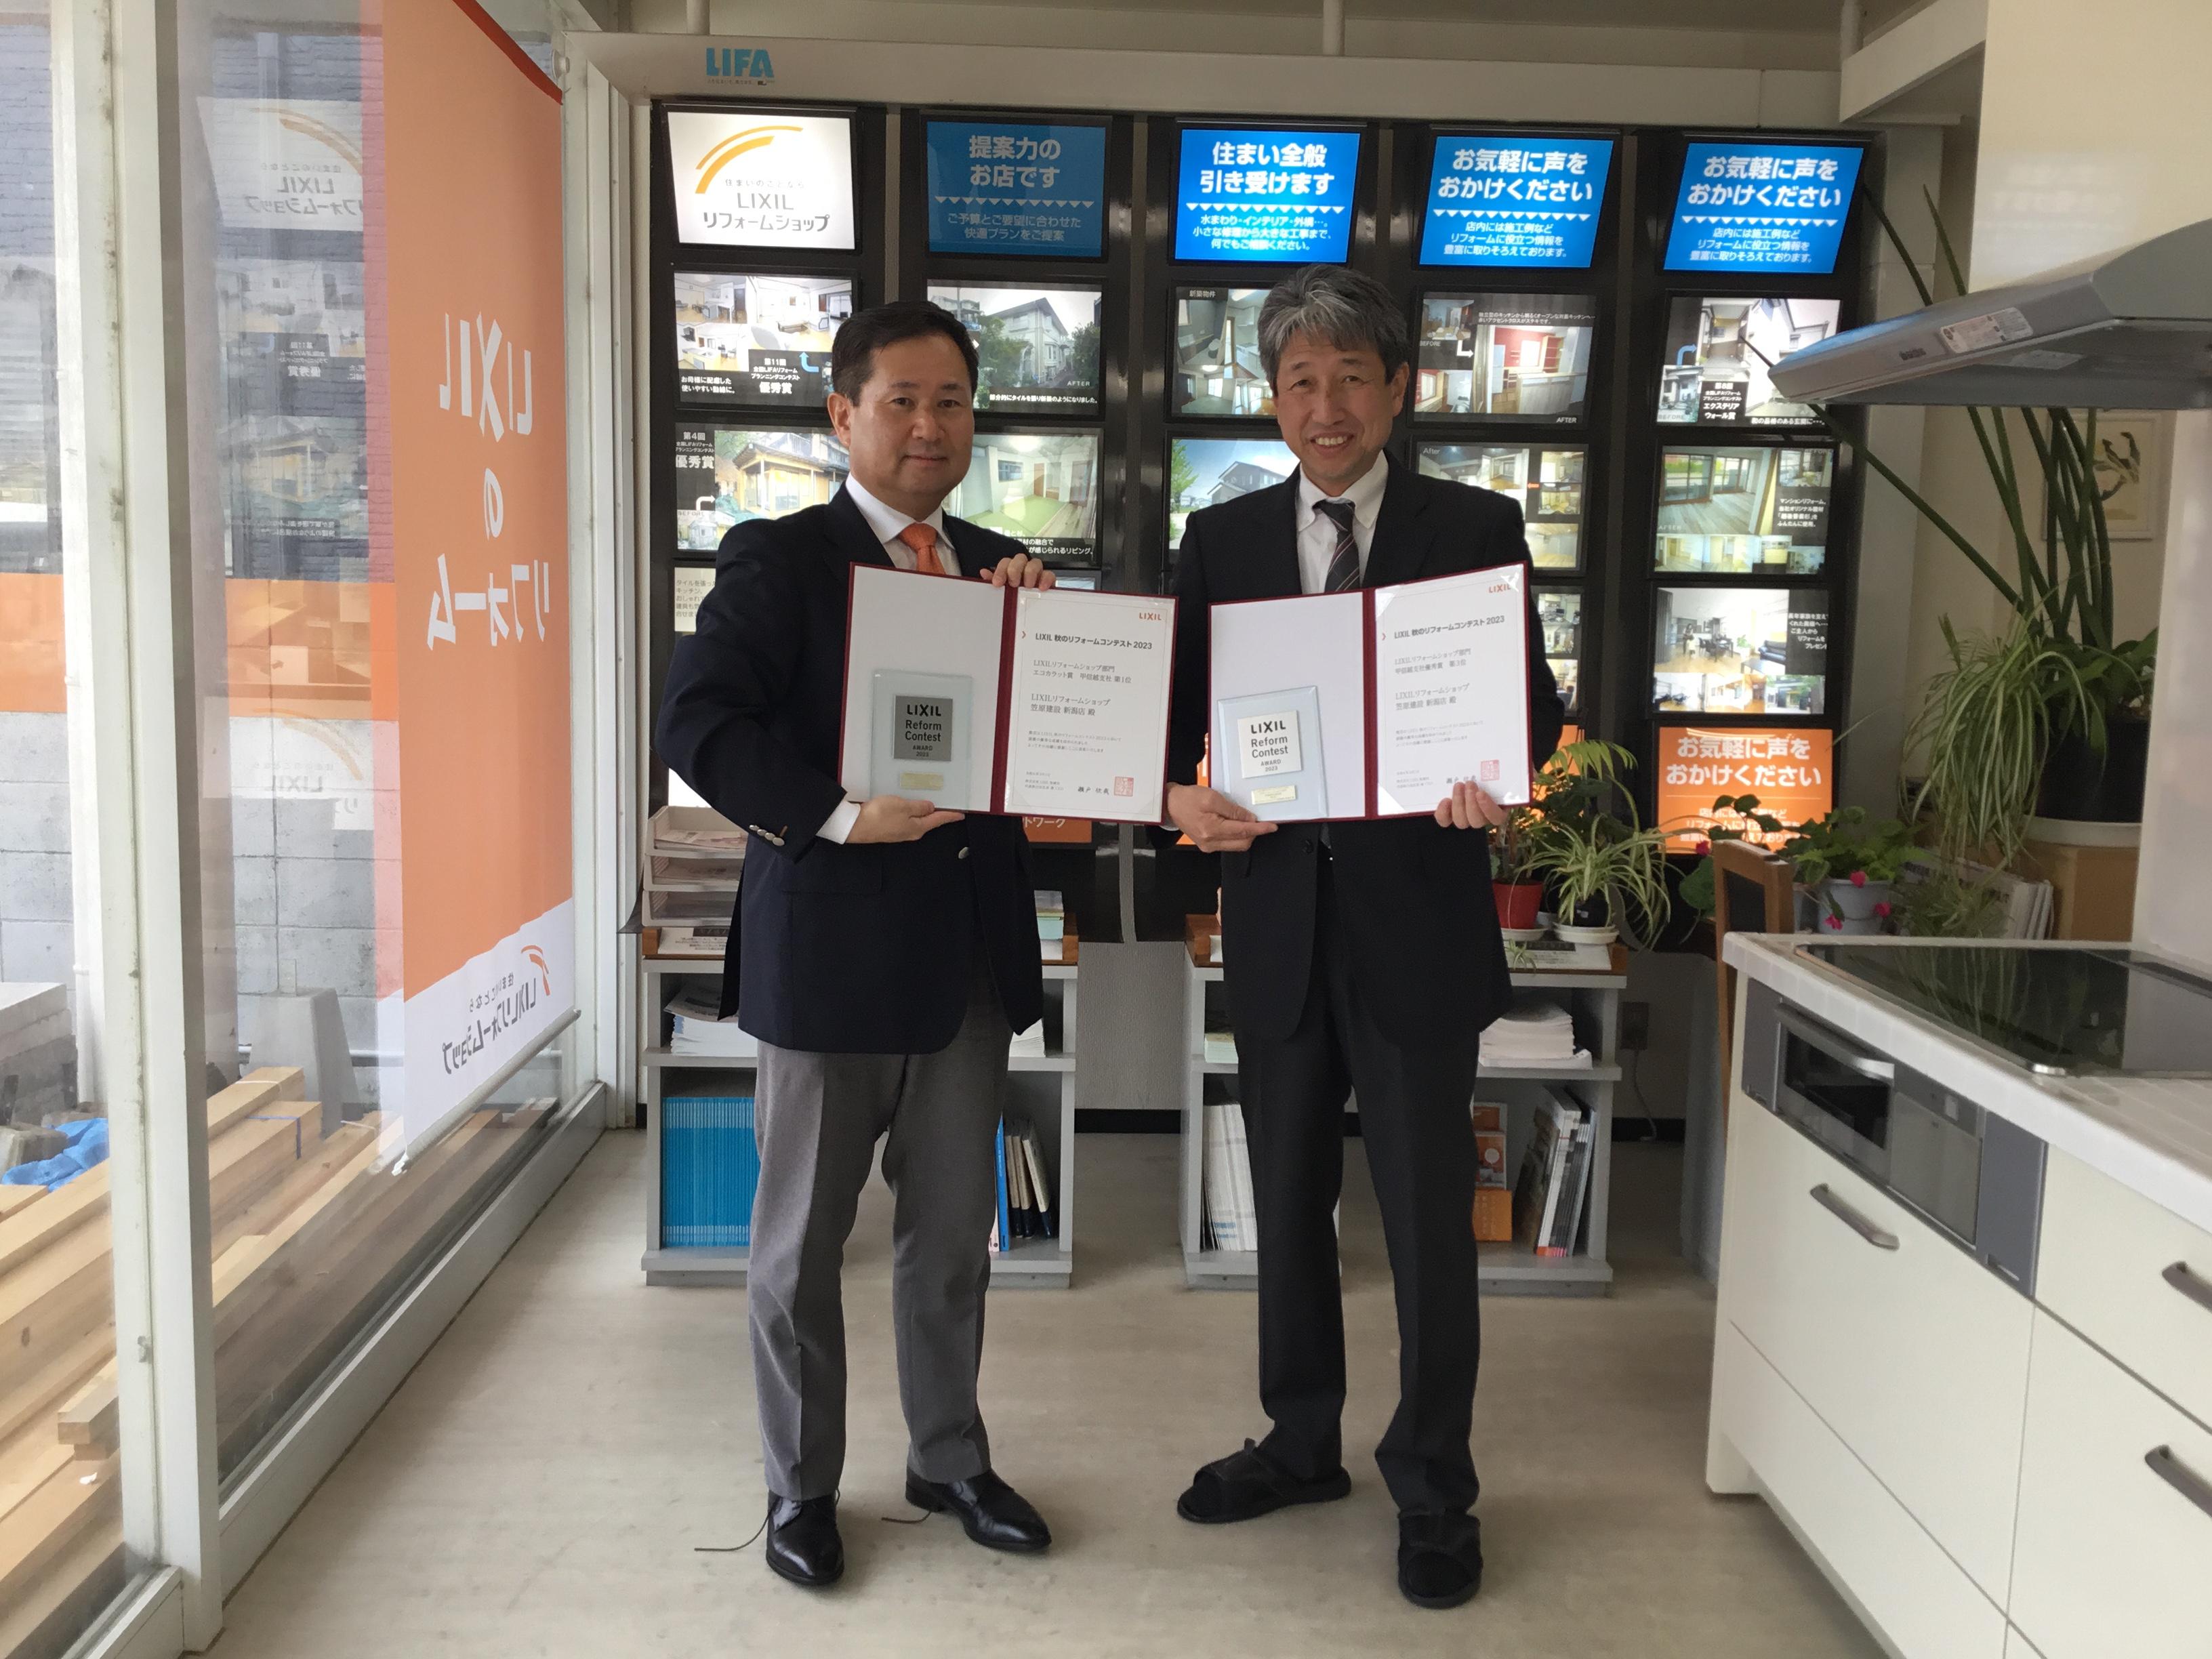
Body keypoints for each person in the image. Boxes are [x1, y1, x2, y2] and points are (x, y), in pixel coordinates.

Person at [1163, 265, 1565, 1610]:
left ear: (1400, 388)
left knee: (1427, 1222)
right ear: (1272, 397)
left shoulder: (1476, 525)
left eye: (1351, 378)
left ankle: (1435, 1484)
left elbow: (1529, 707)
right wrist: (1178, 799)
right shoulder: (1221, 539)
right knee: (1287, 1206)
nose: (1325, 405)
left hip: (1418, 923)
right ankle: (1299, 1443)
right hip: (1279, 921)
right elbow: (1173, 721)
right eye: (1300, 380)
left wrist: (1498, 776)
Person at [657, 300, 1057, 1591]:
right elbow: (697, 724)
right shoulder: (780, 559)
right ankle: (800, 1486)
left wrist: (1044, 642)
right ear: (843, 415)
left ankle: (949, 1460)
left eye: (952, 402)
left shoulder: (1003, 570)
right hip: (827, 961)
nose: (930, 425)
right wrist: (837, 813)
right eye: (902, 401)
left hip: (967, 965)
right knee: (797, 1252)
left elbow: (1047, 747)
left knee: (949, 1244)